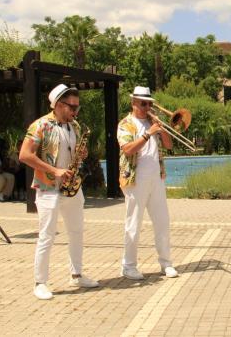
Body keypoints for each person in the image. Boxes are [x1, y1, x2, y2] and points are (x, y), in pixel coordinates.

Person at [19, 84, 99, 300]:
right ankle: (40, 283)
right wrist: (55, 171)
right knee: (47, 236)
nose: (75, 111)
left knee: (77, 232)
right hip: (48, 188)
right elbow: (24, 155)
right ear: (57, 105)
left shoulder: (75, 126)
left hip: (72, 187)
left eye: (77, 107)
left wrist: (81, 154)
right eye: (71, 107)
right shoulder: (41, 125)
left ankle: (77, 275)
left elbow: (75, 153)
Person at [117, 86, 178, 280]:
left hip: (156, 178)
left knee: (162, 222)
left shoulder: (154, 122)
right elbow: (128, 149)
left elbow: (169, 145)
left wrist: (162, 129)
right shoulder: (125, 124)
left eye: (149, 104)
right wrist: (149, 133)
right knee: (133, 224)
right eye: (143, 104)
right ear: (133, 103)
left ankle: (166, 263)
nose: (147, 108)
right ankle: (128, 266)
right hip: (135, 179)